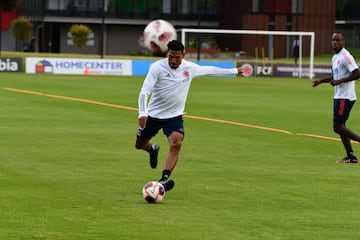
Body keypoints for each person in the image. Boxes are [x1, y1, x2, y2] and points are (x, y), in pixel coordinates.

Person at [135, 40, 243, 191]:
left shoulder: (189, 68)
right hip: (153, 115)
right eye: (170, 56)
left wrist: (234, 71)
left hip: (174, 117)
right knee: (139, 144)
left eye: (177, 57)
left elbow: (209, 69)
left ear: (183, 55)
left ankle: (164, 180)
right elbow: (145, 90)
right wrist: (142, 112)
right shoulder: (157, 67)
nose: (173, 60)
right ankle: (153, 150)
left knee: (176, 143)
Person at [312, 32, 360, 163]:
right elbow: (335, 77)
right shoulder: (335, 58)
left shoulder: (346, 56)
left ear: (343, 41)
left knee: (337, 127)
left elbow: (357, 74)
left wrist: (340, 82)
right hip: (339, 96)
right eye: (333, 40)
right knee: (341, 126)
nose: (334, 42)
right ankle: (351, 156)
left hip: (346, 97)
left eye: (337, 40)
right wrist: (320, 81)